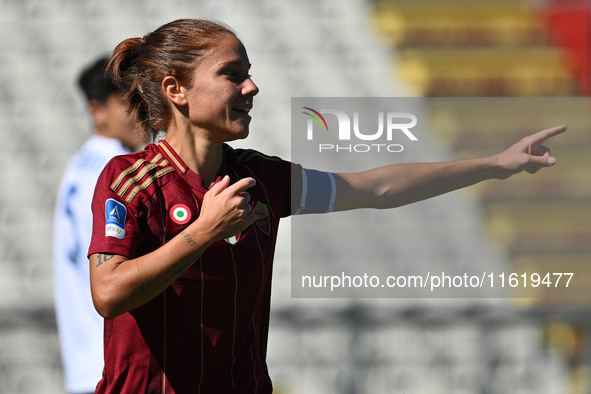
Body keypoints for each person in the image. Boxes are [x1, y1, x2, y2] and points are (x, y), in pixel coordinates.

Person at [87, 19, 565, 393]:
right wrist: (203, 232)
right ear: (176, 90)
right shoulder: (131, 181)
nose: (251, 88)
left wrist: (495, 164)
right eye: (232, 75)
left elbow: (376, 188)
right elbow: (108, 294)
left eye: (249, 74)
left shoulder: (260, 179)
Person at [53, 56, 145, 394]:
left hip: (88, 365)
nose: (140, 111)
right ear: (97, 110)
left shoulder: (80, 164)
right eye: (126, 102)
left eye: (141, 99)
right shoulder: (115, 169)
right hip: (115, 369)